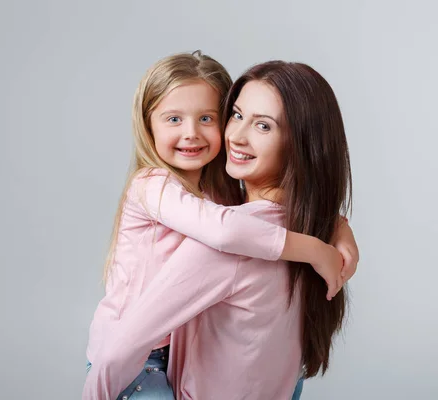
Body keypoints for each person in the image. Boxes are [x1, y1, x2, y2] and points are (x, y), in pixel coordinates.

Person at [83, 59, 356, 399]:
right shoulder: (152, 185)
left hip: (166, 350)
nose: (192, 133)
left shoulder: (220, 193)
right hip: (137, 357)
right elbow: (226, 232)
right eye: (238, 116)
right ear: (147, 125)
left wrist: (336, 227)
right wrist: (316, 249)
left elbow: (257, 218)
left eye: (208, 118)